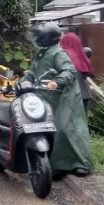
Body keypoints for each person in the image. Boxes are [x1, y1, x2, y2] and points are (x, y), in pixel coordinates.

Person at [24, 23, 93, 178]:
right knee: (50, 128)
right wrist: (21, 82)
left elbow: (69, 71)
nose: (37, 39)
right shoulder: (41, 54)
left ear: (47, 38)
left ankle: (80, 164)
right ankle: (54, 164)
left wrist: (57, 81)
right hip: (46, 96)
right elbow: (32, 73)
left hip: (64, 97)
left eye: (40, 36)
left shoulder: (58, 53)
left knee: (67, 129)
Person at [60, 32, 95, 115]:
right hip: (84, 94)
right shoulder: (80, 55)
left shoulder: (64, 55)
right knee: (83, 123)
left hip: (71, 96)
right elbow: (89, 73)